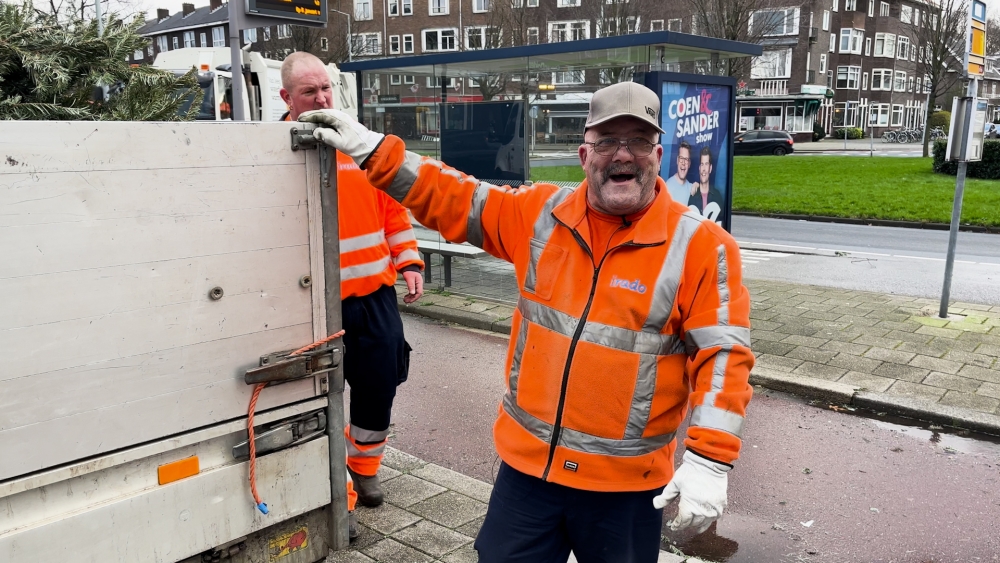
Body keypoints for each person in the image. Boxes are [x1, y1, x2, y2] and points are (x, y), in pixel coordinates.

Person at [301, 80, 754, 562]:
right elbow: (455, 196)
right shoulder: (541, 215)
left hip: (625, 485)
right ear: (585, 154)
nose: (623, 155)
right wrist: (374, 151)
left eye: (638, 141)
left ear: (658, 153)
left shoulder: (702, 247)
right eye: (607, 142)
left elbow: (723, 356)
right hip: (529, 474)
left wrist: (709, 459)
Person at [279, 52, 425, 536]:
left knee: (380, 382)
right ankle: (337, 499)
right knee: (318, 397)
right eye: (308, 92)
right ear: (286, 99)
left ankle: (363, 470)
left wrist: (408, 262)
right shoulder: (273, 152)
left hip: (373, 297)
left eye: (326, 89)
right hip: (312, 304)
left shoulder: (359, 145)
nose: (321, 99)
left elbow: (393, 211)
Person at [688, 146, 725, 217]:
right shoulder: (693, 195)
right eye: (702, 164)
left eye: (706, 164)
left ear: (710, 168)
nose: (704, 169)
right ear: (699, 168)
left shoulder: (717, 196)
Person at [664, 139, 693, 204]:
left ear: (689, 164)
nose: (683, 162)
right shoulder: (667, 187)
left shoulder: (691, 188)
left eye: (686, 159)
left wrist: (696, 186)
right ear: (677, 160)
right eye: (681, 158)